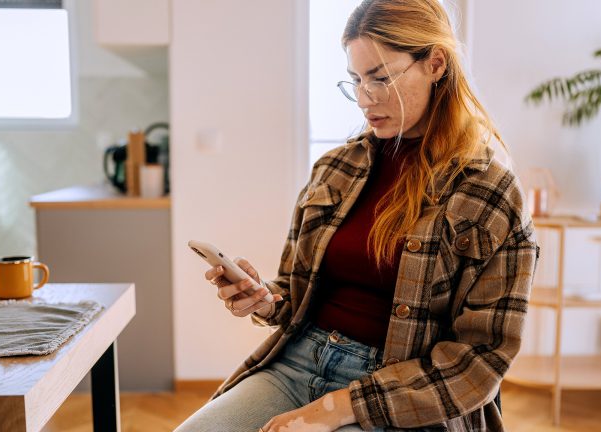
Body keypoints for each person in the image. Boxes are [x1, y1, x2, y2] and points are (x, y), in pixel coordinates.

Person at [175, 0, 539, 430]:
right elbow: (297, 295)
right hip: (297, 362)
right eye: (356, 81)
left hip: (398, 392)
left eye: (380, 78)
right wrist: (262, 299)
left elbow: (480, 360)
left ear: (435, 63)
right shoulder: (334, 169)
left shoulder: (491, 192)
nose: (365, 99)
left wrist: (331, 410)